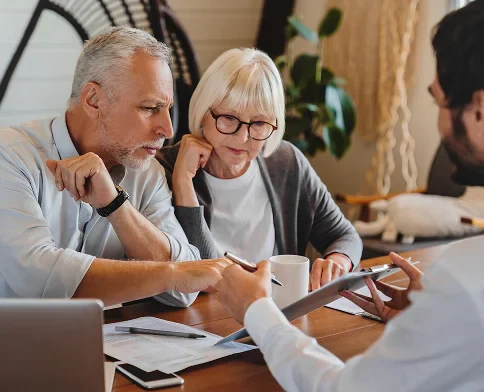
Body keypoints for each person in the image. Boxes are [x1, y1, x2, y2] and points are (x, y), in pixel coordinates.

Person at [215, 2, 484, 391]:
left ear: (479, 106)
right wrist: (432, 321)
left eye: (440, 102)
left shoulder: (465, 278)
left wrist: (256, 312)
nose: (441, 123)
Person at [0, 26, 231, 307]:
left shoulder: (147, 173)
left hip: (110, 346)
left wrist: (116, 206)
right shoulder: (9, 156)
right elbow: (39, 282)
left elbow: (184, 292)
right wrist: (170, 274)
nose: (168, 129)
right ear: (93, 100)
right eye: (149, 108)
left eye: (167, 109)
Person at [157, 48, 362, 291]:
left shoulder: (285, 162)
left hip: (275, 314)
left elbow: (345, 236)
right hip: (202, 320)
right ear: (203, 113)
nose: (243, 137)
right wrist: (183, 182)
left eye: (259, 123)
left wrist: (338, 261)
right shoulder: (165, 168)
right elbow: (198, 274)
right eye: (229, 118)